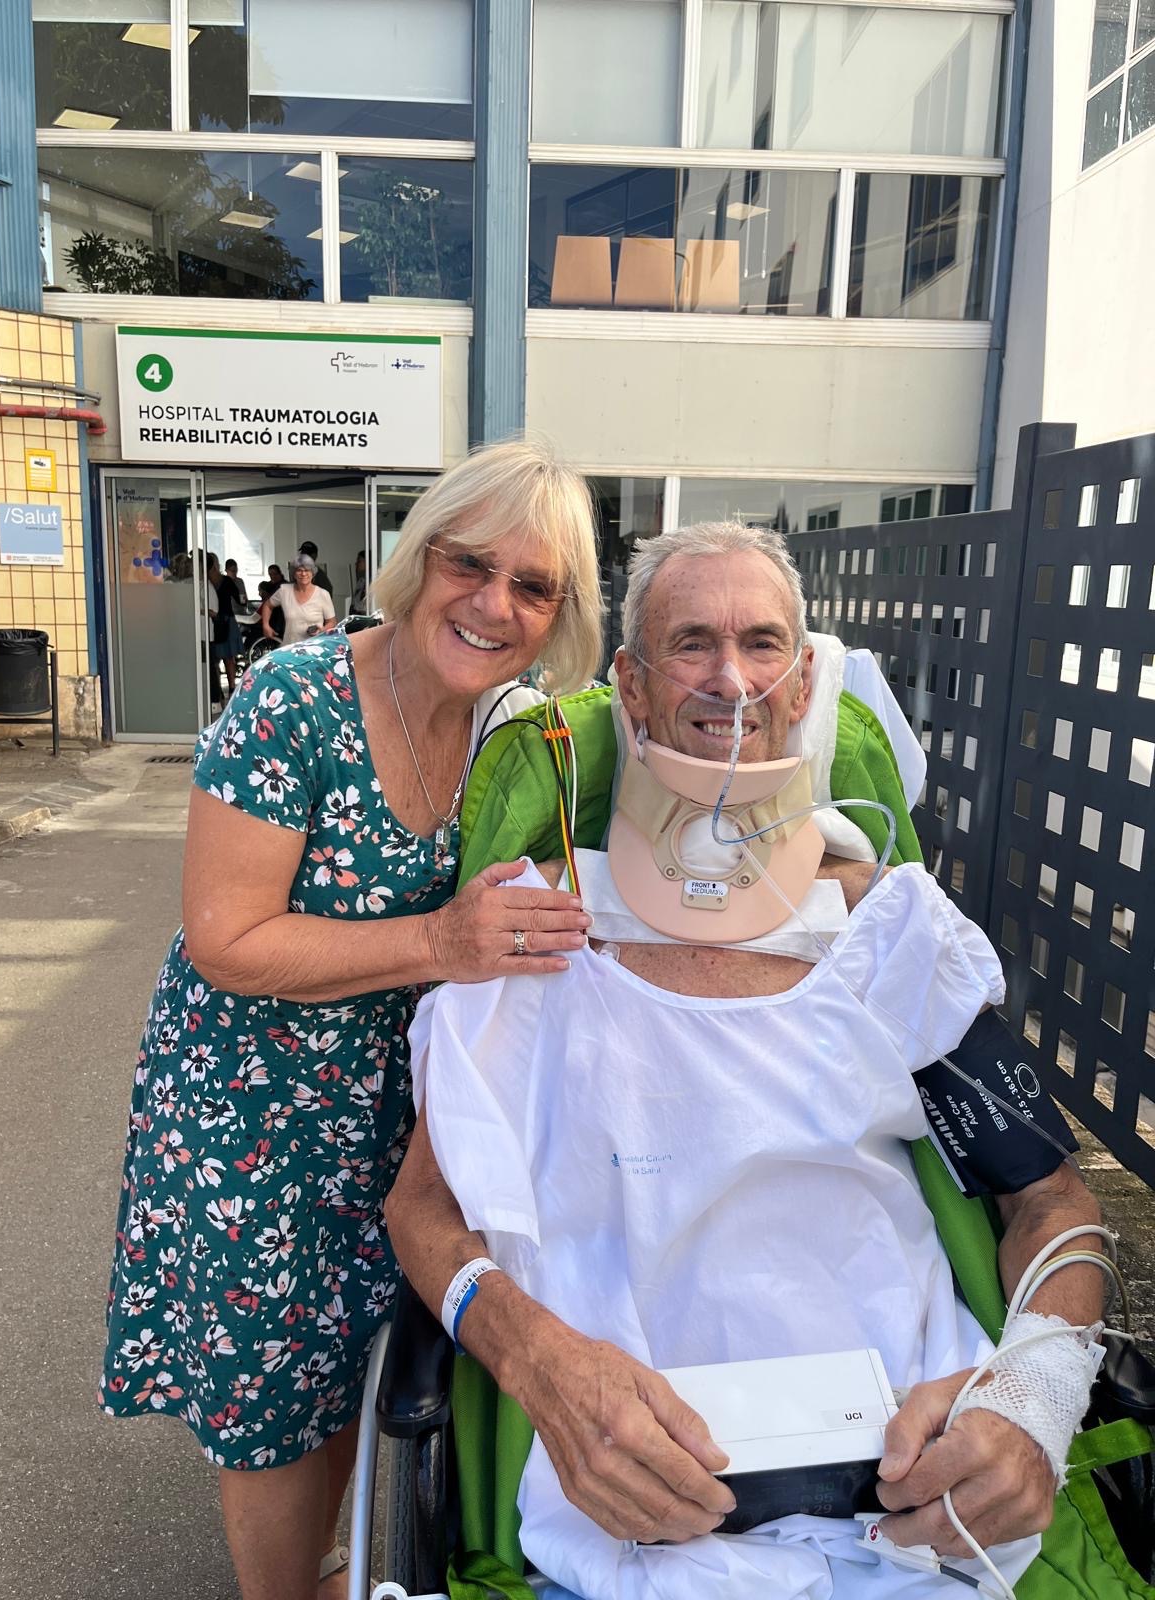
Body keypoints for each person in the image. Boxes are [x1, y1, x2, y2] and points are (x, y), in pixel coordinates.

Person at [386, 522, 1106, 1600]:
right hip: (633, 1527)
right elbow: (422, 1209)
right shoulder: (537, 929)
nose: (731, 679)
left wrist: (1033, 1401)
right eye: (691, 643)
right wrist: (539, 1364)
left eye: (763, 643)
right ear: (630, 687)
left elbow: (1053, 1202)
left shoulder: (890, 934)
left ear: (804, 681)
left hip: (921, 1511)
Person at [99, 439, 603, 1600]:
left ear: (560, 614)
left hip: (398, 1116)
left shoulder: (522, 727)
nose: (493, 604)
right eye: (470, 564)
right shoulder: (295, 699)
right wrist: (440, 942)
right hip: (251, 1114)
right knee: (274, 1407)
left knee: (344, 1373)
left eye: (532, 586)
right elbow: (226, 936)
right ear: (419, 559)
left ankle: (326, 1565)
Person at [260, 555, 337, 647]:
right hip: (290, 648)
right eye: (299, 570)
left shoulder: (323, 594)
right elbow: (267, 605)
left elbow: (332, 622)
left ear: (312, 573)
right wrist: (265, 625)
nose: (303, 574)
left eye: (307, 570)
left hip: (313, 648)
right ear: (294, 574)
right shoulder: (284, 590)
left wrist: (321, 631)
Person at [208, 552, 242, 697]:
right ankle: (232, 687)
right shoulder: (226, 581)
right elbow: (240, 599)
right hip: (227, 620)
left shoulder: (205, 582)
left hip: (212, 621)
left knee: (214, 659)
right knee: (229, 658)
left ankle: (218, 690)